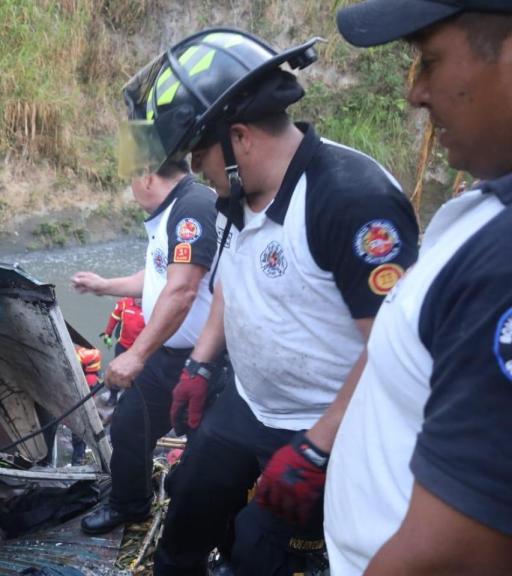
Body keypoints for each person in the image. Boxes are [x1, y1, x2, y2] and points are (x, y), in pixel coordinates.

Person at [144, 29, 420, 575]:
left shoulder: (350, 199)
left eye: (199, 153)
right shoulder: (236, 193)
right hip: (249, 404)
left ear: (239, 137)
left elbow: (396, 346)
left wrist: (318, 446)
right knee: (186, 516)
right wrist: (201, 361)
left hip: (327, 424)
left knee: (260, 551)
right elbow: (235, 281)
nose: (196, 171)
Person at [315, 4, 512, 574]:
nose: (415, 93)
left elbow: (455, 552)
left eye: (430, 61)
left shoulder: (501, 264)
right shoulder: (481, 212)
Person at [71, 59, 220, 533]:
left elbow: (183, 291)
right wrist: (104, 286)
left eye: (131, 176)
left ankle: (201, 524)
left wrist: (134, 355)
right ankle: (130, 504)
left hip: (199, 359)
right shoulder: (172, 214)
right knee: (130, 427)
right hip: (163, 351)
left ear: (149, 176)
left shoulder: (193, 208)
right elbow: (158, 278)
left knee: (205, 451)